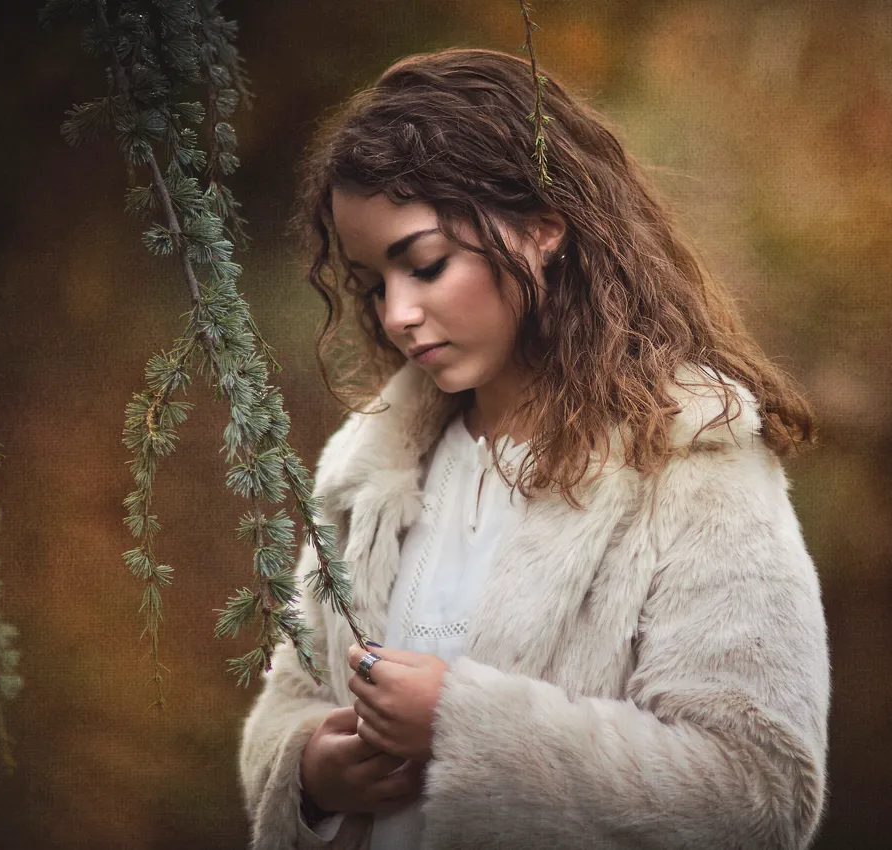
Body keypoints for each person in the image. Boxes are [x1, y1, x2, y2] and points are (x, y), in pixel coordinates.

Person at [238, 47, 829, 850]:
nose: (397, 314)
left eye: (425, 264)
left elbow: (757, 793)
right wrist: (309, 772)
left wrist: (464, 727)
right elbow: (290, 699)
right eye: (375, 281)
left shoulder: (694, 463)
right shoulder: (371, 467)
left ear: (542, 229)